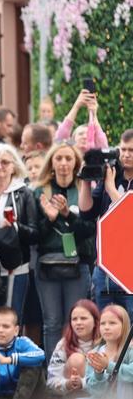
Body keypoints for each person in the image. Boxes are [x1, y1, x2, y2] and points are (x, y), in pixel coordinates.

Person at [34, 142, 94, 357]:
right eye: (58, 158)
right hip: (47, 266)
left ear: (76, 163)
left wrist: (68, 213)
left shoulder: (85, 189)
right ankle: (54, 374)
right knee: (51, 323)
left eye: (68, 159)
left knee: (75, 322)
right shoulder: (40, 191)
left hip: (78, 265)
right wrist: (50, 219)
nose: (63, 164)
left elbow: (90, 230)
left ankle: (74, 370)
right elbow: (34, 235)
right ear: (51, 162)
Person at [0, 144, 38, 319]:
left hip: (14, 267)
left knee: (10, 317)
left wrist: (15, 227)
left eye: (5, 162)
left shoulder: (24, 193)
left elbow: (35, 233)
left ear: (14, 167)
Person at [80, 128, 133, 316]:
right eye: (123, 150)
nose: (126, 155)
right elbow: (86, 212)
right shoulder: (112, 175)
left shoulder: (110, 182)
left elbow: (129, 216)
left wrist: (111, 189)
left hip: (130, 265)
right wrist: (85, 181)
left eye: (131, 151)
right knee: (106, 321)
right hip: (105, 264)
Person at [0, 307, 46, 399]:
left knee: (33, 363)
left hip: (31, 395)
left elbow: (41, 355)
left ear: (16, 330)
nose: (0, 330)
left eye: (6, 326)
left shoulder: (22, 342)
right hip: (4, 396)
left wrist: (8, 360)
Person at [46, 299, 100, 396]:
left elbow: (112, 378)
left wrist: (82, 383)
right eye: (74, 319)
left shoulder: (106, 342)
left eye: (83, 318)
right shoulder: (63, 344)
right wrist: (67, 384)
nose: (78, 323)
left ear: (95, 321)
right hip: (72, 394)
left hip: (103, 394)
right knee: (76, 359)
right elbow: (51, 382)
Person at [86, 305, 133, 398]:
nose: (106, 327)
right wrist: (98, 373)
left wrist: (108, 365)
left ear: (124, 325)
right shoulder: (95, 353)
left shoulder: (130, 349)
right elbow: (94, 391)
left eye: (112, 323)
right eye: (102, 323)